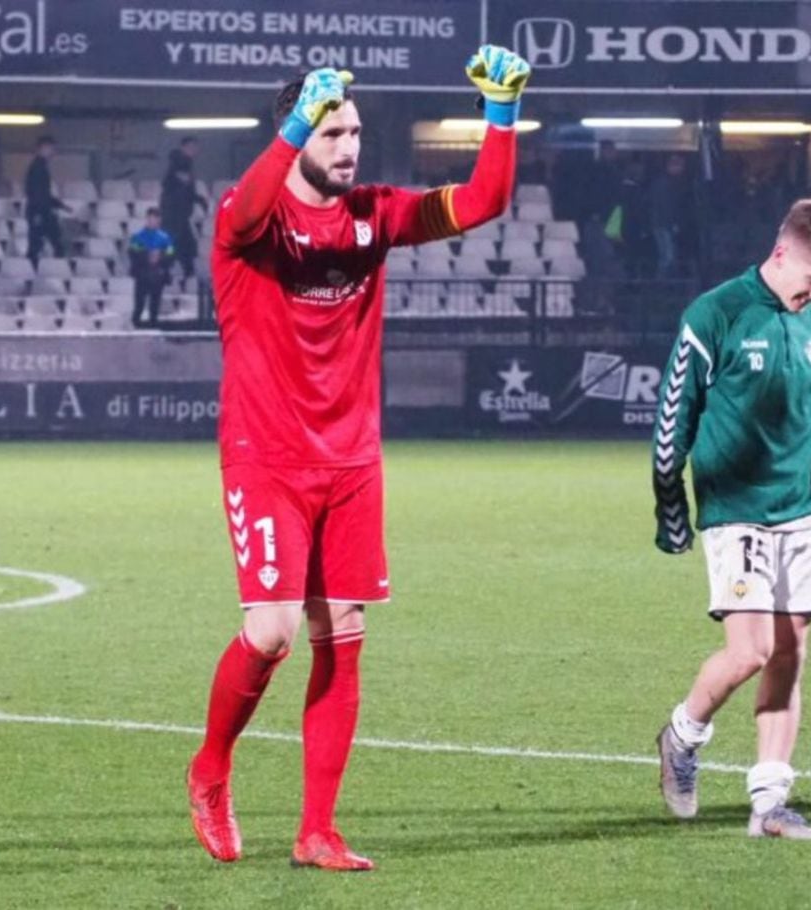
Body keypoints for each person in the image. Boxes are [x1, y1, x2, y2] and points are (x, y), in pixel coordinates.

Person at [186, 46, 530, 872]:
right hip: (265, 456)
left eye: (355, 133)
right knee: (269, 633)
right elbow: (242, 214)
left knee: (341, 633)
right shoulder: (251, 221)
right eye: (333, 131)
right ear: (297, 132)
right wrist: (298, 119)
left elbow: (483, 202)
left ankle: (317, 831)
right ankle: (211, 768)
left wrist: (502, 116)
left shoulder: (374, 212)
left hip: (351, 462)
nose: (349, 147)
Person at [651, 198, 811, 840]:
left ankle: (769, 804)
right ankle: (683, 735)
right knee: (751, 652)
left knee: (791, 652)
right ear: (782, 255)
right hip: (735, 509)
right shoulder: (715, 314)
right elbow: (673, 420)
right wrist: (671, 507)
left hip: (799, 514)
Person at [160, 136, 207, 280]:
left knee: (186, 245)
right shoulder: (180, 162)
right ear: (185, 147)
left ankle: (184, 272)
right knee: (178, 244)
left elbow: (184, 189)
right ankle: (168, 272)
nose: (195, 150)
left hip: (180, 214)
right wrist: (196, 199)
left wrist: (197, 199)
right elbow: (172, 185)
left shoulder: (183, 163)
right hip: (173, 214)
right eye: (193, 147)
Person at [128, 207, 175, 327]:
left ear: (159, 220)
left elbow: (171, 253)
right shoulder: (138, 236)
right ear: (147, 219)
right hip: (142, 274)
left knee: (155, 303)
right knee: (139, 303)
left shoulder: (165, 238)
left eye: (155, 218)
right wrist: (147, 256)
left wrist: (160, 257)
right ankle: (136, 324)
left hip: (158, 275)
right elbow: (133, 252)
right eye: (150, 218)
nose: (152, 221)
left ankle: (153, 324)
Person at [24, 136, 67, 266]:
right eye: (51, 149)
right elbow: (38, 193)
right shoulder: (38, 168)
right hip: (40, 210)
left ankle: (35, 268)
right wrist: (39, 212)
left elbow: (42, 193)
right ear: (43, 148)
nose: (53, 152)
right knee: (41, 242)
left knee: (42, 242)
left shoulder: (39, 167)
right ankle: (34, 268)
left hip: (41, 210)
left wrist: (59, 205)